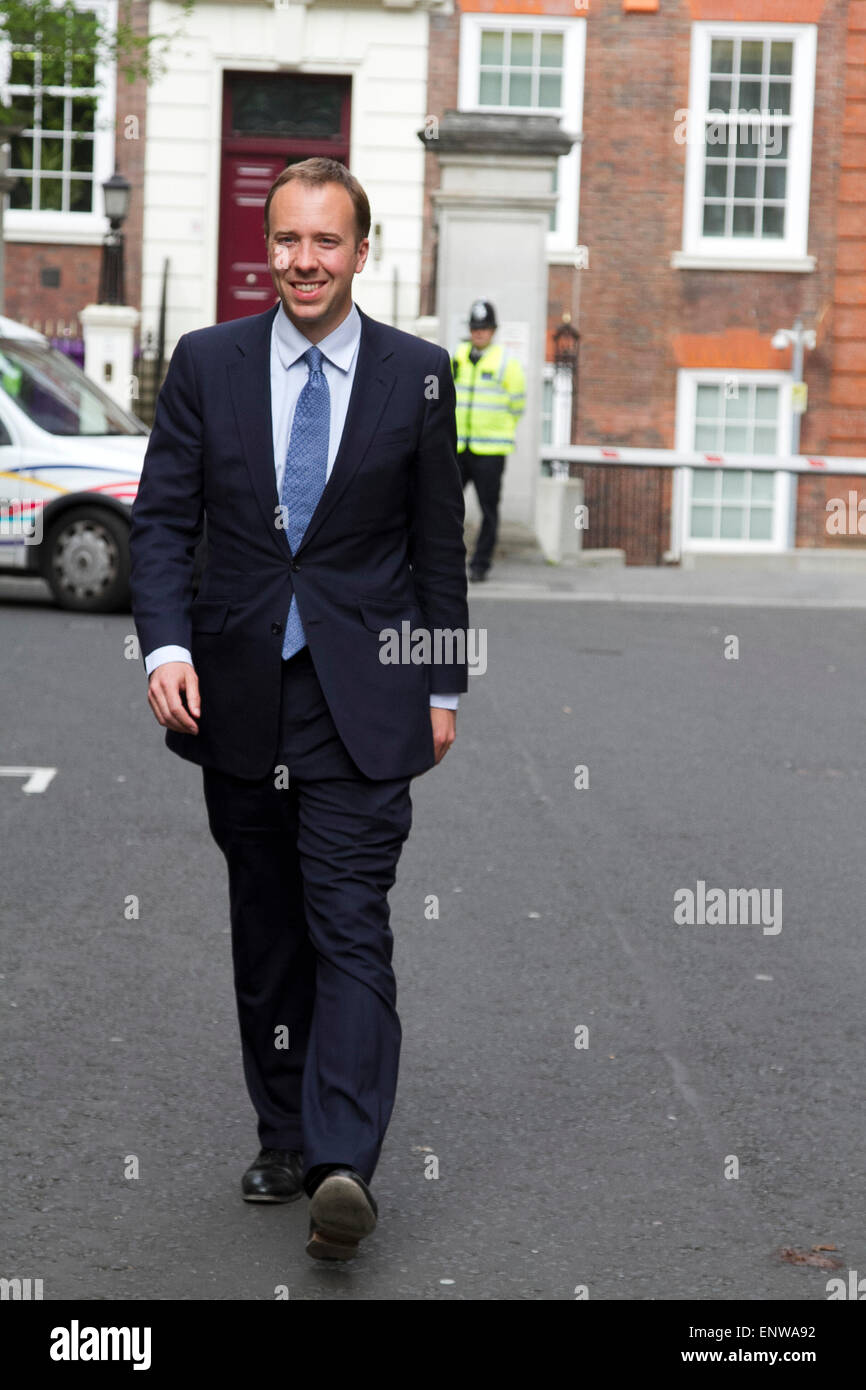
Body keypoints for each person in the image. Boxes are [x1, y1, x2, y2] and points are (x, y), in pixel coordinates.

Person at [129, 157, 468, 1262]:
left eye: (326, 242)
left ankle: (341, 1164)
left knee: (350, 923)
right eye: (286, 241)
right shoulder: (207, 363)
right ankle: (284, 1131)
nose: (303, 261)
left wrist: (443, 681)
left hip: (364, 699)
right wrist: (166, 642)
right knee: (268, 926)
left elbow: (434, 548)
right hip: (235, 692)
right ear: (263, 248)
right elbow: (165, 521)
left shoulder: (417, 374)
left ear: (361, 251)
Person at [452, 300, 526, 581]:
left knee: (488, 510)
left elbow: (517, 405)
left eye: (483, 328)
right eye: (475, 328)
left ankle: (480, 565)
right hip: (458, 447)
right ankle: (449, 560)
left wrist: (501, 429)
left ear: (493, 331)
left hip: (491, 450)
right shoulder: (456, 356)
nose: (479, 333)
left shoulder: (507, 362)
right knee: (446, 508)